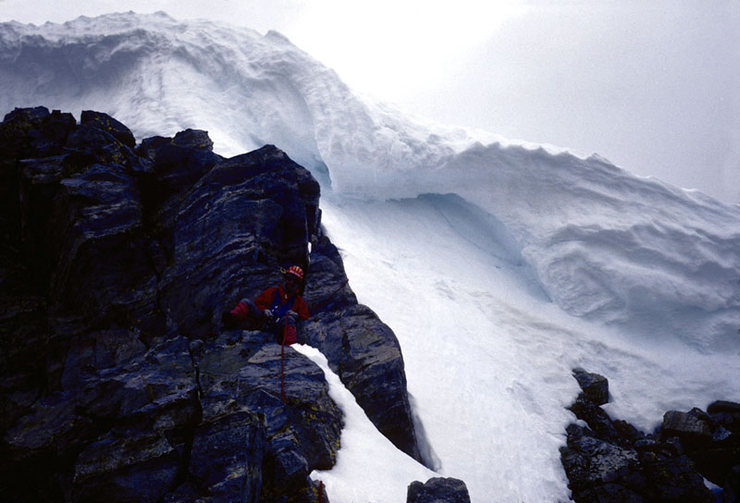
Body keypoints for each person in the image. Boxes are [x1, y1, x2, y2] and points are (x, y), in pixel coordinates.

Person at [222, 265, 309, 345]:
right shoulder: (272, 292)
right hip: (263, 321)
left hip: (278, 329)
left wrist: (296, 315)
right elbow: (258, 303)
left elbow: (305, 317)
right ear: (285, 278)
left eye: (294, 281)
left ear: (298, 284)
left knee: (288, 319)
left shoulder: (299, 301)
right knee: (246, 302)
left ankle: (290, 346)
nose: (291, 282)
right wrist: (264, 310)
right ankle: (232, 319)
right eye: (289, 278)